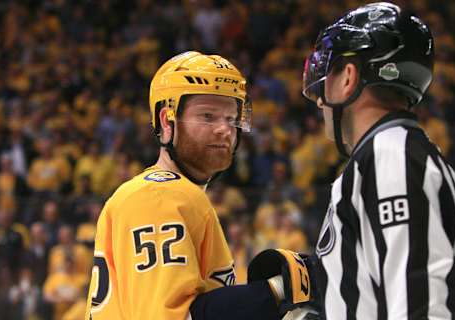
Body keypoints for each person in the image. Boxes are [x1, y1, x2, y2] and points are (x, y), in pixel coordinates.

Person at [85, 51, 320, 320]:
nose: (225, 129)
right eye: (208, 116)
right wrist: (277, 291)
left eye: (231, 118)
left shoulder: (172, 195)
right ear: (167, 120)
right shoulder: (160, 195)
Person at [302, 2, 455, 319]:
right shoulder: (409, 155)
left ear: (348, 77)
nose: (318, 99)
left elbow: (420, 309)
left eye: (328, 72)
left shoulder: (389, 156)